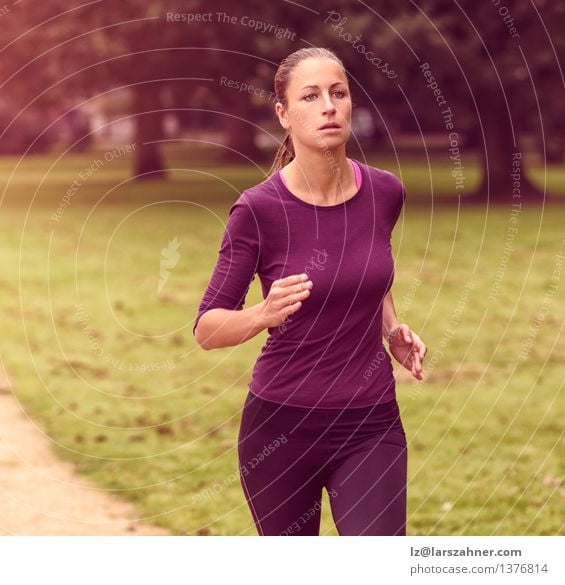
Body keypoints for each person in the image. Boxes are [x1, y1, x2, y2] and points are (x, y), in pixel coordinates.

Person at [192, 47, 427, 536]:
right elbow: (207, 329)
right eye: (311, 96)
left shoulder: (385, 193)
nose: (328, 107)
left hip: (371, 422)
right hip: (281, 429)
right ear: (284, 114)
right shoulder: (257, 211)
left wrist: (391, 328)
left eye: (338, 94)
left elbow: (367, 268)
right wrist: (263, 313)